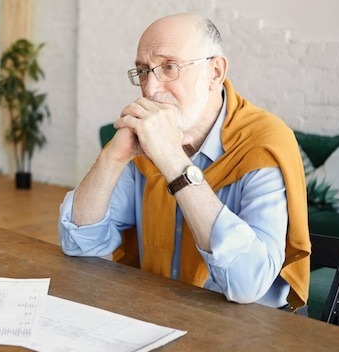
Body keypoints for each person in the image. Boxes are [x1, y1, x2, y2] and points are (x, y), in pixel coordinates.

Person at [58, 13, 311, 313]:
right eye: (143, 71)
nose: (150, 89)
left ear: (215, 72)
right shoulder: (145, 145)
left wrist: (173, 161)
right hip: (159, 310)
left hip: (250, 328)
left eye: (169, 67)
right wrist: (113, 157)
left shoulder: (264, 143)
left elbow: (247, 285)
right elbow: (79, 242)